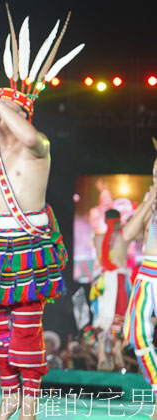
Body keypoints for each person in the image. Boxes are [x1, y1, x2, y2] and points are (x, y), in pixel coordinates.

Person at [0, 9, 79, 420]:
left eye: (1, 110)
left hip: (29, 241)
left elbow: (27, 133)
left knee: (26, 326)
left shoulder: (35, 142)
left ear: (19, 112)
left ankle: (30, 401)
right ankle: (8, 395)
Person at [120, 145, 157, 418]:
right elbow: (128, 234)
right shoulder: (150, 204)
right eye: (154, 176)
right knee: (137, 335)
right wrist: (149, 199)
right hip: (148, 272)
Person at [91, 209, 131, 371]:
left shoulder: (97, 238)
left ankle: (102, 351)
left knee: (102, 315)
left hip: (100, 280)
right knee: (118, 314)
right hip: (115, 279)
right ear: (118, 221)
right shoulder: (124, 236)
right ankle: (115, 349)